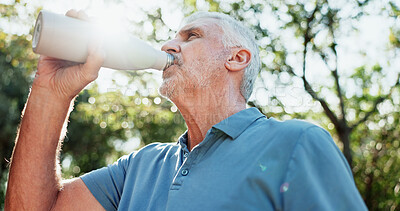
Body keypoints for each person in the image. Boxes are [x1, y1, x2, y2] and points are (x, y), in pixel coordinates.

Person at [5, 9, 367, 211]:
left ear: (237, 58)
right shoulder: (139, 168)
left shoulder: (296, 143)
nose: (168, 45)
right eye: (172, 36)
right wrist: (51, 91)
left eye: (190, 36)